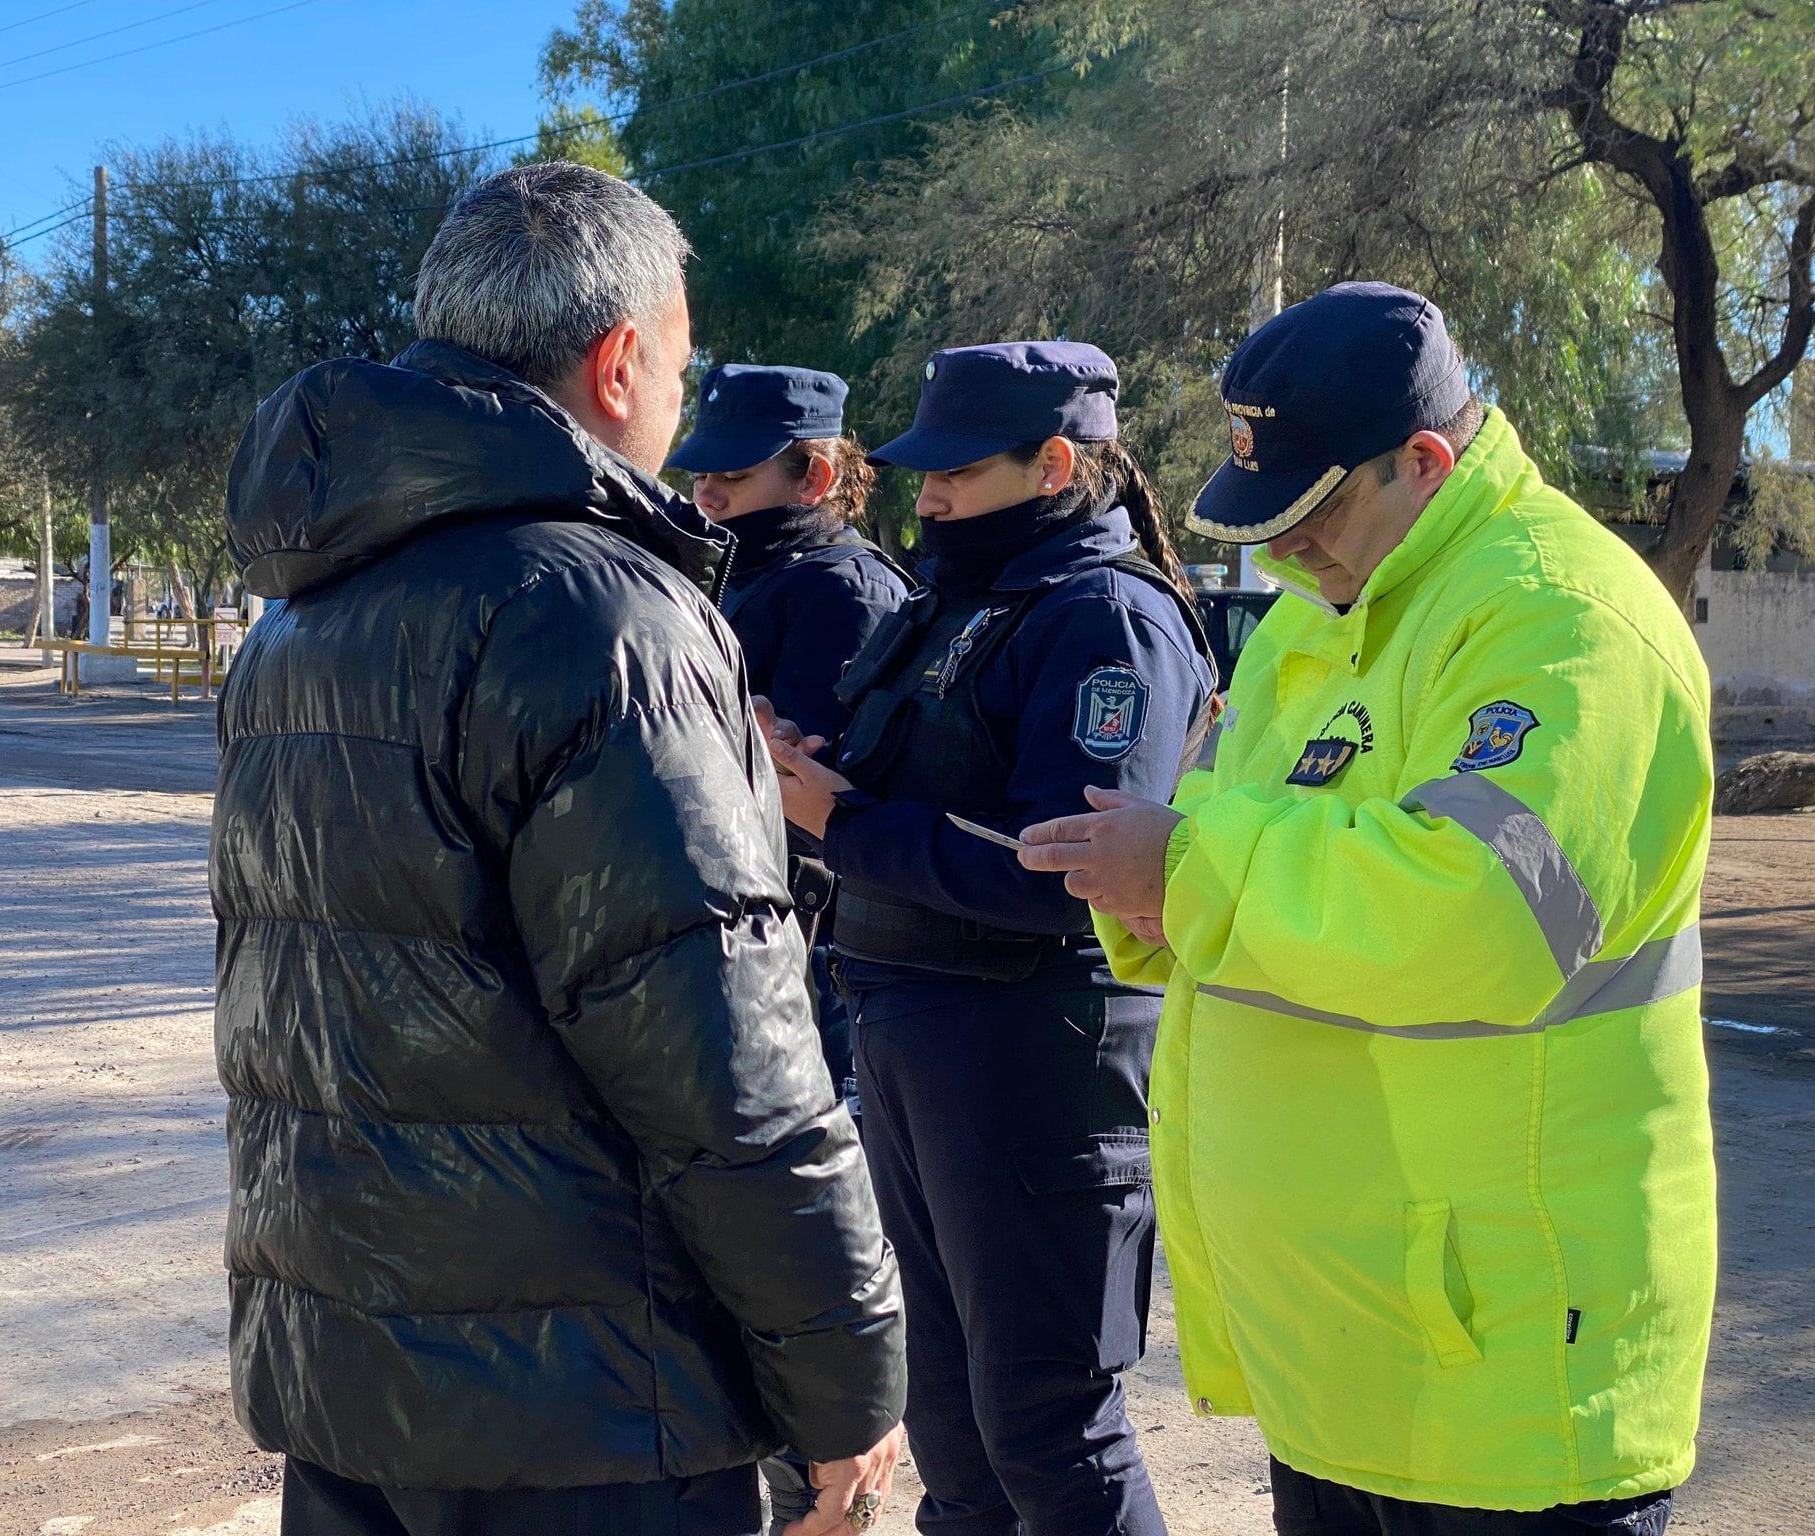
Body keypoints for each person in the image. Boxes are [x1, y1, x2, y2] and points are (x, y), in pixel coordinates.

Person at [211, 162, 905, 1536]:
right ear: (619, 359)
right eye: (683, 369)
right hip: (586, 1413)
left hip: (348, 1379)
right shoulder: (604, 616)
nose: (679, 408)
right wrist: (847, 1381)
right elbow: (725, 1061)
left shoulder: (302, 618)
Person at [1017, 282, 1715, 1535]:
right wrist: (1150, 882)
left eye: (1312, 512)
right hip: (1357, 1359)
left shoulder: (1560, 616)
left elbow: (1484, 914)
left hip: (1502, 1369)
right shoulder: (1321, 615)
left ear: (1425, 463)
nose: (1282, 551)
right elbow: (1219, 839)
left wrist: (1183, 872)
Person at [763, 341, 1217, 1536]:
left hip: (1035, 1048)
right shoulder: (964, 601)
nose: (929, 500)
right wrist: (806, 770)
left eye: (958, 474)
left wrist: (843, 822)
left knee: (1045, 1421)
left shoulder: (1105, 618)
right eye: (925, 475)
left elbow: (1068, 872)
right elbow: (920, 779)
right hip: (914, 1025)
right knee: (949, 1418)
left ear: (1054, 464)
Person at [668, 364, 911, 1094]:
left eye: (735, 476)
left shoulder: (843, 590)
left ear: (816, 478)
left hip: (803, 946)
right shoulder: (737, 570)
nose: (708, 494)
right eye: (701, 473)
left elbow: (813, 796)